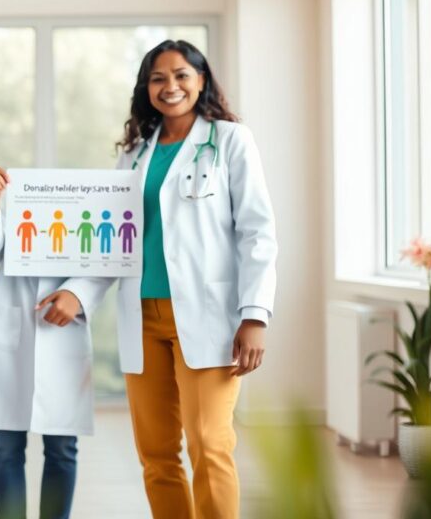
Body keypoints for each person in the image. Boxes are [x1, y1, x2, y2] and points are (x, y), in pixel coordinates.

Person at [115, 39, 277, 519]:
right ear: (146, 88)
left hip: (210, 317)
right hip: (141, 315)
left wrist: (255, 315)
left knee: (209, 442)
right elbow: (115, 238)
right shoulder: (134, 153)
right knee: (156, 453)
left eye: (182, 75)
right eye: (158, 78)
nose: (170, 87)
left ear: (201, 80)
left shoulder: (228, 140)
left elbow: (257, 231)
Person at [0, 166, 114, 519]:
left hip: (64, 329)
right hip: (13, 323)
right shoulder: (17, 204)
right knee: (5, 448)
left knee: (63, 446)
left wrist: (78, 294)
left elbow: (111, 254)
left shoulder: (94, 205)